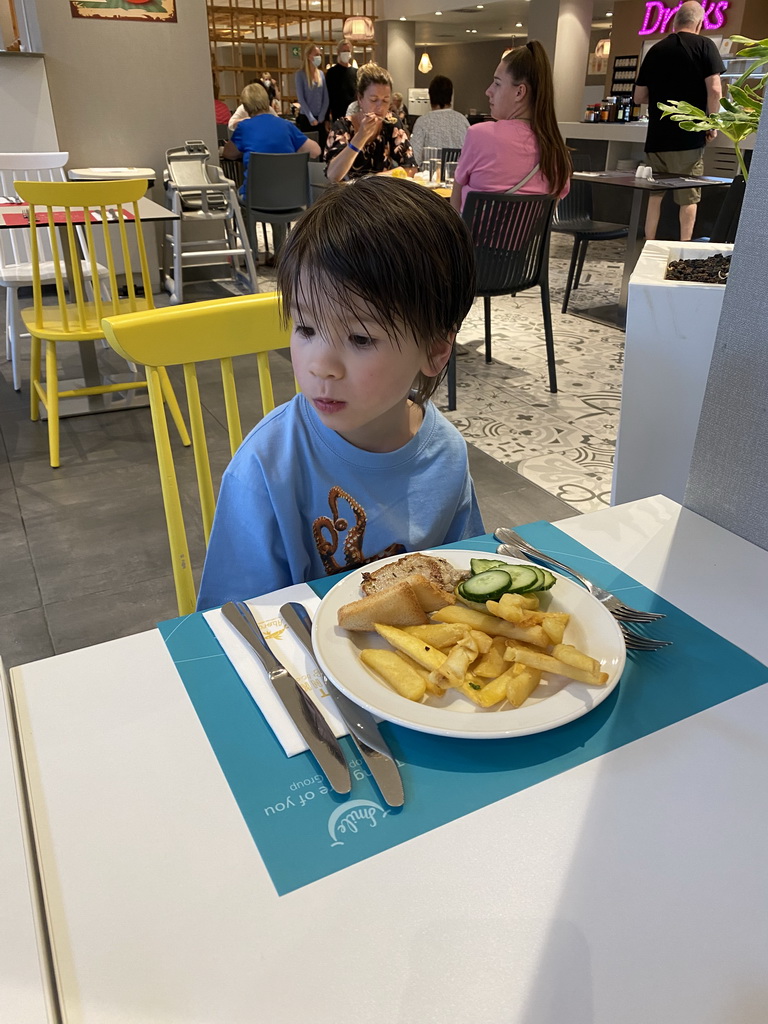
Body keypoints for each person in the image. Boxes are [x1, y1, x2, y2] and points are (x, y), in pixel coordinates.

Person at [196, 176, 484, 609]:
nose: (320, 366)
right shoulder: (267, 466)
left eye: (361, 339)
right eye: (306, 329)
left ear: (436, 349)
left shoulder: (445, 454)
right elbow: (232, 620)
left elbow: (464, 579)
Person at [634, 0, 724, 241]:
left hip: (657, 137)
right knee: (688, 196)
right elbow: (715, 90)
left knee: (655, 196)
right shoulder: (705, 46)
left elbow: (639, 96)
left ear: (675, 22)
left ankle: (648, 246)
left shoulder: (656, 49)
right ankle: (684, 248)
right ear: (700, 23)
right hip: (689, 136)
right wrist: (711, 123)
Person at [450, 40, 571, 214]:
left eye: (497, 83)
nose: (488, 91)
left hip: (472, 241)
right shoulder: (557, 152)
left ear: (520, 92)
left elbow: (456, 202)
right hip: (531, 242)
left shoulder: (480, 135)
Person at [222, 83, 320, 261]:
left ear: (245, 106)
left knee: (241, 197)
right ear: (267, 101)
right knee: (278, 193)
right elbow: (315, 151)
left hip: (256, 198)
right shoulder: (285, 125)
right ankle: (280, 254)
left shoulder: (244, 128)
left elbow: (229, 153)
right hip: (290, 198)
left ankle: (250, 255)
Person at [325, 63, 417, 183]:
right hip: (349, 198)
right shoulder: (343, 127)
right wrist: (360, 136)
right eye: (374, 100)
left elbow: (411, 168)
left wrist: (374, 180)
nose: (380, 107)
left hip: (381, 194)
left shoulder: (391, 123)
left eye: (385, 100)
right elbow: (333, 175)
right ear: (360, 99)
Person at [410, 74, 470, 167]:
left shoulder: (422, 122)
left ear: (430, 96)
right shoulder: (463, 121)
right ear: (451, 96)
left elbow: (414, 158)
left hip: (429, 178)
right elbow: (470, 155)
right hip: (458, 178)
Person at [295, 42, 329, 148]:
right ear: (309, 56)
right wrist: (311, 118)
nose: (318, 57)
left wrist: (322, 116)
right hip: (306, 118)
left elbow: (325, 98)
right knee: (308, 149)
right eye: (316, 54)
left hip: (320, 118)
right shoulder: (300, 75)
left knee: (322, 147)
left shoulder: (321, 74)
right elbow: (301, 98)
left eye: (319, 55)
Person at [325, 39, 358, 122]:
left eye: (348, 51)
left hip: (354, 114)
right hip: (338, 114)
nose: (346, 53)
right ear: (338, 52)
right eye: (344, 51)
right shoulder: (332, 73)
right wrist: (327, 118)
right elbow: (328, 96)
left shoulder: (356, 72)